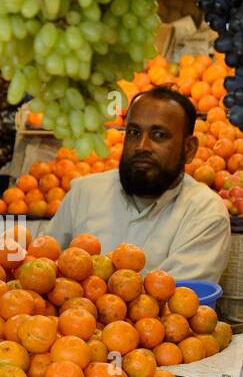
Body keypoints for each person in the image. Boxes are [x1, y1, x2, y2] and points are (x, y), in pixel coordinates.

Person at [48, 87, 231, 282]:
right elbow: (43, 270)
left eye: (159, 135)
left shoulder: (206, 213)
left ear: (189, 149)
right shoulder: (84, 193)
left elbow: (175, 301)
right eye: (134, 133)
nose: (142, 146)